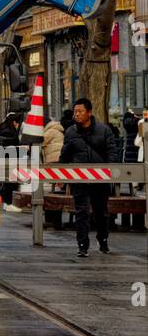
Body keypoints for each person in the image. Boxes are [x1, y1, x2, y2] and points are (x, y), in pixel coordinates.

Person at [59, 96, 114, 257]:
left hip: (100, 179)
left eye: (80, 111)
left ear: (89, 112)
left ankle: (103, 240)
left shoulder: (104, 130)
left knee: (101, 212)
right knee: (81, 212)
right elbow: (65, 156)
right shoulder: (70, 132)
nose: (76, 114)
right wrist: (60, 178)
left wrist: (110, 173)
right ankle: (82, 245)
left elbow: (112, 152)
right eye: (75, 111)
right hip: (79, 178)